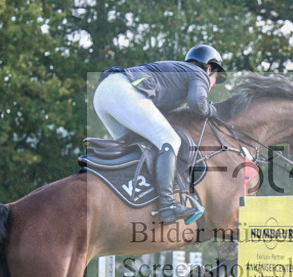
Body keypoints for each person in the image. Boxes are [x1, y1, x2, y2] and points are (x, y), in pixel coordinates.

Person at [92, 44, 226, 223]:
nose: (213, 84)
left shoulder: (177, 75)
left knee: (137, 150)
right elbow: (197, 104)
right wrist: (214, 111)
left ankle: (127, 199)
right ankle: (168, 207)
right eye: (215, 78)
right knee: (170, 140)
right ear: (209, 69)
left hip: (103, 93)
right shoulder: (198, 73)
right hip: (121, 90)